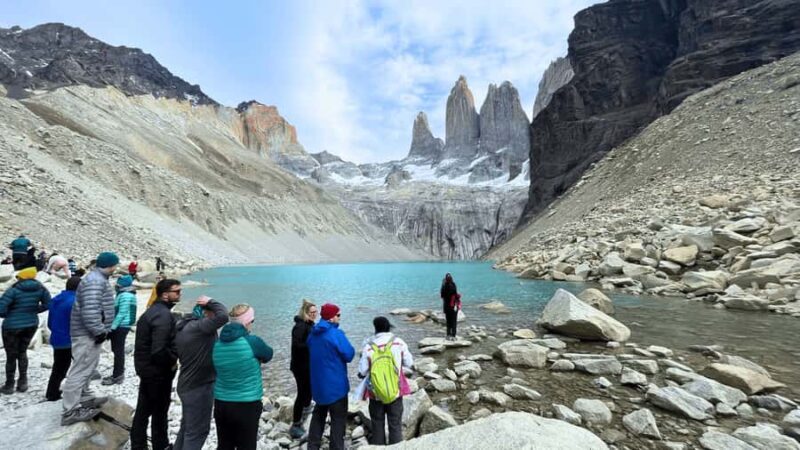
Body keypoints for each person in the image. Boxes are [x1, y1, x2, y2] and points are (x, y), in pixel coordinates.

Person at [212, 304, 273, 450]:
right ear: (246, 322)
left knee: (225, 446)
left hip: (222, 403)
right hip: (247, 404)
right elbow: (268, 354)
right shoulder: (252, 342)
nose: (252, 324)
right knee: (247, 446)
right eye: (252, 320)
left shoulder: (218, 344)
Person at [131, 278, 182, 450]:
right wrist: (172, 362)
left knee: (144, 410)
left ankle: (138, 445)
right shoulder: (163, 315)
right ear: (165, 294)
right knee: (159, 412)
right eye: (177, 291)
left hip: (146, 369)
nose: (180, 294)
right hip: (157, 372)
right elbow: (159, 349)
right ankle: (161, 445)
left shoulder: (153, 311)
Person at [174, 295, 228, 450]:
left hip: (187, 384)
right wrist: (211, 301)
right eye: (212, 314)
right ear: (206, 313)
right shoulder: (200, 328)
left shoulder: (184, 327)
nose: (214, 319)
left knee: (187, 429)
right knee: (197, 432)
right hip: (199, 387)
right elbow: (223, 316)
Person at [357, 317, 413, 445]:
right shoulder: (398, 342)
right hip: (395, 391)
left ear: (375, 328)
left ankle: (379, 446)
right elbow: (409, 363)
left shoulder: (368, 347)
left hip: (375, 393)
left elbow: (362, 371)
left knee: (377, 424)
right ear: (388, 327)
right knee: (395, 424)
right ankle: (396, 447)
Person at [307, 303, 355, 450]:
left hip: (319, 385)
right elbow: (349, 354)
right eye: (338, 315)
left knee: (318, 416)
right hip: (336, 386)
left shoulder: (312, 334)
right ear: (332, 317)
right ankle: (336, 447)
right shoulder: (336, 334)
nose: (340, 318)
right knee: (338, 420)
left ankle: (312, 446)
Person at [0, 266, 51, 394]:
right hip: (31, 324)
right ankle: (23, 382)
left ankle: (9, 385)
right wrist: (34, 310)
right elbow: (48, 304)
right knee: (22, 352)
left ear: (21, 278)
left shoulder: (13, 290)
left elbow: (1, 309)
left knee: (11, 356)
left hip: (11, 326)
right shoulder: (41, 288)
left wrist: (10, 315)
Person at [46, 276, 81, 401]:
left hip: (57, 337)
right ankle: (58, 393)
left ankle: (52, 391)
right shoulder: (75, 301)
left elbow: (50, 322)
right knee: (74, 367)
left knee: (58, 367)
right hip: (69, 340)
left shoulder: (56, 299)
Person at [289, 300, 318, 439]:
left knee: (309, 392)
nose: (314, 314)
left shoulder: (310, 325)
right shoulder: (300, 326)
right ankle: (296, 424)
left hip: (307, 365)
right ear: (305, 313)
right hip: (300, 366)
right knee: (302, 394)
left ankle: (305, 415)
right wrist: (312, 345)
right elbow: (297, 345)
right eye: (311, 312)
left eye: (315, 312)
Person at [102, 275, 137, 385]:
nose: (116, 286)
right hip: (121, 325)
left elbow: (121, 313)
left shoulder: (125, 295)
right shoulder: (124, 294)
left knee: (118, 351)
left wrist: (112, 327)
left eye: (118, 284)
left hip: (121, 326)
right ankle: (118, 372)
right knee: (117, 350)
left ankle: (118, 375)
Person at [440, 273, 460, 340]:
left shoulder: (444, 286)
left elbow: (442, 296)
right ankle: (453, 335)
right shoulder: (453, 285)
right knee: (454, 321)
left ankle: (448, 335)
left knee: (448, 321)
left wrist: (442, 284)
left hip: (447, 306)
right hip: (454, 306)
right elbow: (455, 293)